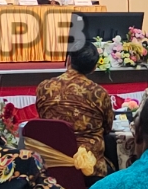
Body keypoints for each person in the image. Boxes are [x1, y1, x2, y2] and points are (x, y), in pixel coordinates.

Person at [36, 41, 114, 170]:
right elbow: (107, 128)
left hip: (53, 163)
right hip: (90, 167)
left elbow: (44, 120)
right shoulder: (99, 93)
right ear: (94, 68)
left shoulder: (44, 87)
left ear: (69, 60)